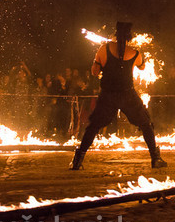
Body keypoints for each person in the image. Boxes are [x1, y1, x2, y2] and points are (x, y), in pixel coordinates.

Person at [70, 22, 167, 169]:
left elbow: (94, 72)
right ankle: (155, 159)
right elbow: (142, 67)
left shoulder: (104, 49)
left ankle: (77, 161)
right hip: (128, 95)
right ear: (129, 37)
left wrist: (98, 63)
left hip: (108, 95)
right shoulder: (135, 53)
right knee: (146, 124)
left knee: (94, 126)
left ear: (116, 35)